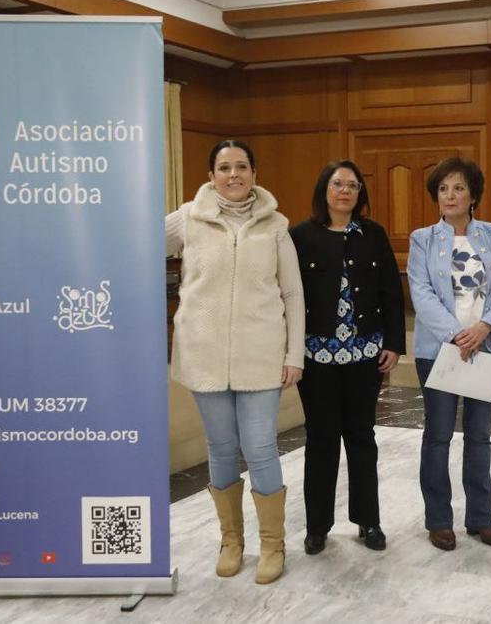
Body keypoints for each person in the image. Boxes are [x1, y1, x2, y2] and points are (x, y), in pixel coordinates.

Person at [165, 139, 304, 585]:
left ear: (254, 174)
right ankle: (231, 541)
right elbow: (130, 246)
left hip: (261, 355)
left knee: (260, 447)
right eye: (224, 167)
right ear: (211, 176)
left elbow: (292, 294)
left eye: (241, 166)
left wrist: (294, 353)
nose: (233, 175)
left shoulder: (276, 226)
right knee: (221, 448)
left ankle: (272, 544)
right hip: (204, 356)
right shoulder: (188, 218)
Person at [289, 160, 405, 556]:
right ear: (324, 189)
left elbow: (391, 290)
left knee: (361, 436)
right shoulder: (300, 237)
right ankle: (317, 526)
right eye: (337, 184)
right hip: (316, 356)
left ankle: (368, 521)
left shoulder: (372, 235)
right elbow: (287, 297)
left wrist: (393, 341)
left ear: (360, 193)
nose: (344, 191)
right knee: (320, 439)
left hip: (365, 354)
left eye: (352, 185)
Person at [407, 157, 491, 551]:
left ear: (473, 195)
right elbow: (420, 293)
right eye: (443, 189)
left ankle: (480, 518)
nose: (450, 195)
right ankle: (439, 519)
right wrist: (457, 335)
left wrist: (483, 327)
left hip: (486, 347)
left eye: (458, 188)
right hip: (440, 351)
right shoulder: (422, 239)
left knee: (479, 437)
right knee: (438, 436)